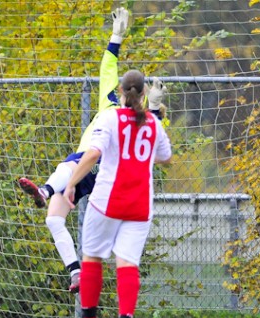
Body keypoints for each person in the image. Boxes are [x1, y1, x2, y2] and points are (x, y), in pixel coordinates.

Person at [18, 7, 167, 293]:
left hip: (96, 168)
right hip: (108, 179)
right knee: (53, 219)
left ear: (122, 91)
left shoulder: (116, 111)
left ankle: (45, 191)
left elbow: (107, 68)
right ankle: (76, 273)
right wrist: (158, 109)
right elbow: (156, 142)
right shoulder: (142, 118)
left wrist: (116, 37)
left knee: (70, 167)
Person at [62, 70, 172, 318]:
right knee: (127, 263)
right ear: (144, 93)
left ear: (121, 92)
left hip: (107, 200)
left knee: (92, 257)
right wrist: (156, 112)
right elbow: (165, 157)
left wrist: (72, 183)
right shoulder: (153, 123)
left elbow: (93, 153)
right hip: (140, 204)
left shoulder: (110, 118)